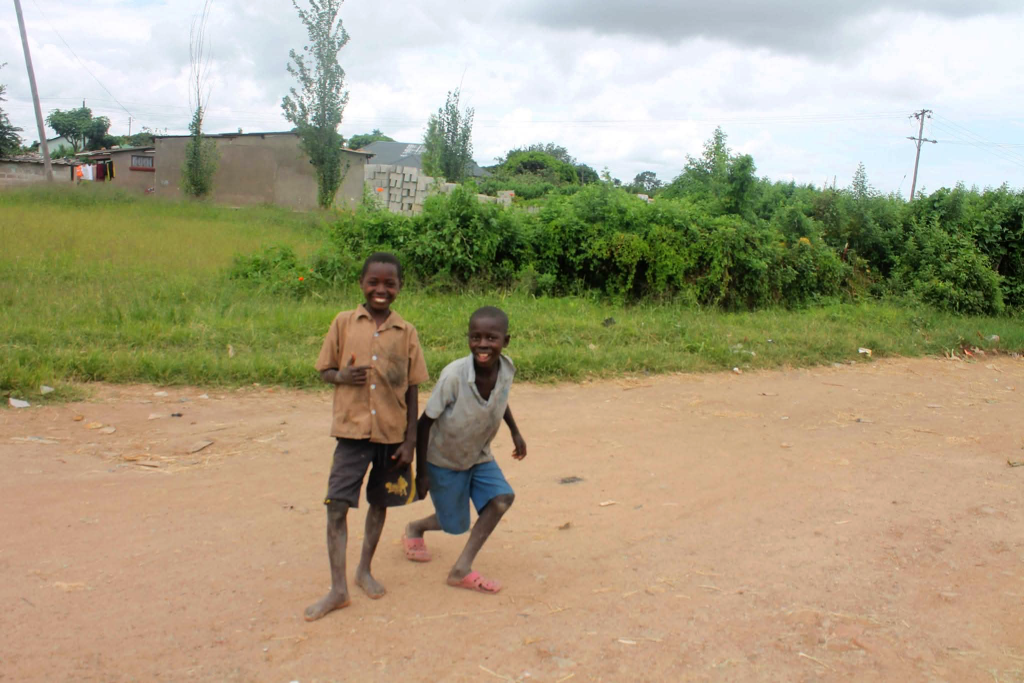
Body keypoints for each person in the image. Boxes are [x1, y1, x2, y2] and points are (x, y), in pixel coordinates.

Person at [304, 252, 429, 621]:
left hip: (392, 436)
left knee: (380, 504)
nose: (381, 289)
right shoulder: (343, 323)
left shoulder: (406, 332)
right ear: (361, 283)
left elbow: (412, 389)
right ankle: (338, 589)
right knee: (337, 506)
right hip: (352, 433)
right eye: (374, 282)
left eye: (389, 283)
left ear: (399, 288)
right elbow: (324, 370)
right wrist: (342, 377)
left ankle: (364, 570)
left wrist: (410, 442)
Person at [403, 306, 526, 594]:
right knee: (455, 524)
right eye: (476, 337)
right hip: (444, 459)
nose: (483, 345)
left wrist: (515, 431)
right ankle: (415, 528)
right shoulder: (454, 377)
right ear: (468, 338)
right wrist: (421, 473)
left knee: (502, 498)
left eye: (491, 338)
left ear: (505, 341)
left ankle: (460, 570)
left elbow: (500, 398)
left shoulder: (506, 368)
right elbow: (424, 424)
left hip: (479, 455)